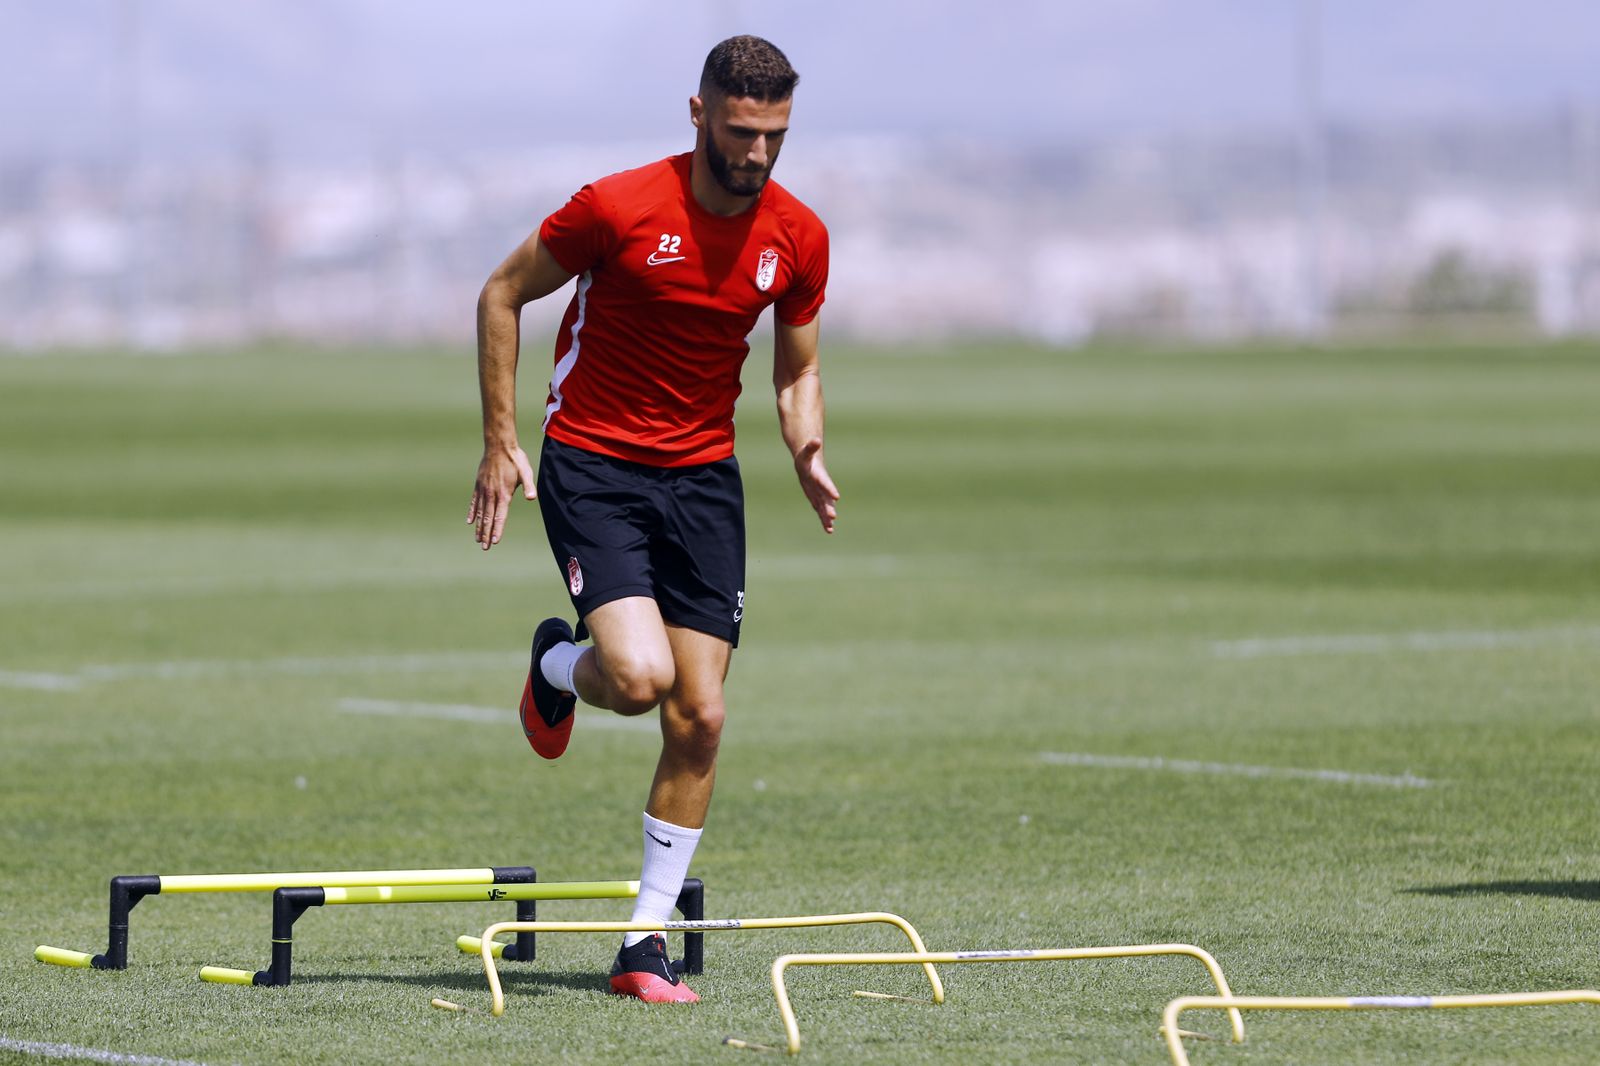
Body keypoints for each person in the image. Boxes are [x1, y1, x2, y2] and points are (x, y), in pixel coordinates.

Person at [466, 35, 835, 1003]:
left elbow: (796, 369)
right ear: (699, 112)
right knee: (636, 680)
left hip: (703, 479)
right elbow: (502, 293)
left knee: (701, 715)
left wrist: (806, 446)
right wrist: (501, 437)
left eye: (775, 134)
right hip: (593, 462)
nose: (757, 153)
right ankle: (559, 665)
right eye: (741, 131)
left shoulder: (797, 235)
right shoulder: (617, 207)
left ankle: (642, 943)